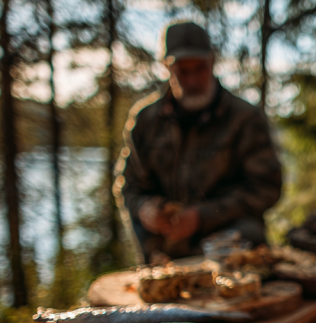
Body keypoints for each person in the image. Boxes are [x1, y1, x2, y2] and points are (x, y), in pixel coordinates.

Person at [115, 21, 282, 263]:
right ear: (166, 66)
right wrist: (145, 209)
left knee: (249, 232)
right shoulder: (146, 120)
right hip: (165, 249)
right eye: (182, 70)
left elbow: (267, 188)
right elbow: (129, 185)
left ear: (213, 61)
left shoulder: (245, 118)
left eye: (199, 68)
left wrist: (203, 216)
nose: (192, 80)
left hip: (230, 246)